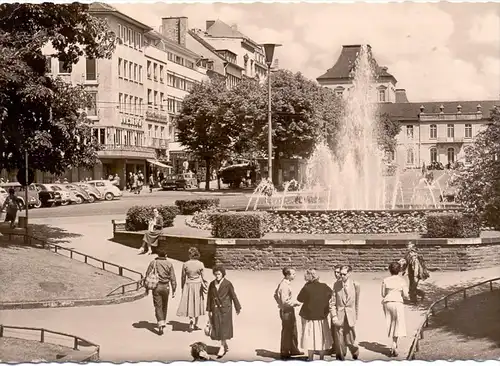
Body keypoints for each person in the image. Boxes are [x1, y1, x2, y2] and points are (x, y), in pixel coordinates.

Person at [296, 269, 333, 361]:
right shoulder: (324, 286)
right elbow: (331, 295)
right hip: (321, 315)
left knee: (310, 338)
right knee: (322, 337)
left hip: (310, 316)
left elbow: (300, 299)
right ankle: (321, 358)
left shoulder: (307, 288)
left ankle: (311, 358)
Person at [206, 265, 241, 359]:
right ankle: (224, 344)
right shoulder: (212, 284)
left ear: (223, 274)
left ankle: (222, 347)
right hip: (215, 309)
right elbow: (209, 297)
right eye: (215, 274)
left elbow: (233, 295)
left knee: (224, 327)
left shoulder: (228, 283)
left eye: (219, 274)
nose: (217, 276)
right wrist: (209, 309)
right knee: (218, 327)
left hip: (226, 308)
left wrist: (238, 307)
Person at [144, 245, 177, 335]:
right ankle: (163, 321)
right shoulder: (169, 264)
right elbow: (173, 278)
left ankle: (160, 323)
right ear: (165, 255)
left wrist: (147, 288)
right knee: (164, 305)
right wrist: (174, 289)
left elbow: (147, 275)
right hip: (166, 287)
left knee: (158, 305)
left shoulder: (153, 262)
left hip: (156, 287)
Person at [330, 265, 360, 360]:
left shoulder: (356, 285)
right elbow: (332, 302)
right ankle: (340, 357)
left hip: (350, 315)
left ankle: (354, 350)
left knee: (350, 339)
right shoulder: (336, 285)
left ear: (349, 274)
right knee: (339, 339)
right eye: (340, 274)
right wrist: (334, 316)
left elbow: (356, 302)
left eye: (344, 274)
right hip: (339, 315)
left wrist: (355, 315)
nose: (341, 276)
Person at [381, 261, 409, 357]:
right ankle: (394, 344)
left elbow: (383, 294)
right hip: (397, 302)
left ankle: (394, 344)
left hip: (387, 302)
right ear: (399, 270)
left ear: (390, 270)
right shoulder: (402, 281)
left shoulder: (385, 280)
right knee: (397, 324)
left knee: (391, 323)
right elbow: (406, 295)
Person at [176, 247, 207, 332]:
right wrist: (206, 286)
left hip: (188, 284)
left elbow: (183, 277)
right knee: (197, 303)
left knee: (190, 303)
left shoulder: (185, 264)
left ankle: (191, 321)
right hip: (197, 285)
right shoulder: (200, 264)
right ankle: (195, 324)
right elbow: (204, 277)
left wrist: (182, 286)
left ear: (190, 254)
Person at [274, 267, 302, 360]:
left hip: (288, 310)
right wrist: (295, 303)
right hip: (287, 311)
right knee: (287, 331)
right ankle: (285, 352)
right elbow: (285, 301)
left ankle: (293, 349)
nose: (294, 275)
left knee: (293, 330)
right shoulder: (284, 286)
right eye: (293, 274)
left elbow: (275, 295)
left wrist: (279, 303)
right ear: (288, 275)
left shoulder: (284, 284)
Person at [329, 265, 342, 355]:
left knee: (338, 330)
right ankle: (334, 348)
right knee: (333, 330)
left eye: (338, 272)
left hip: (339, 309)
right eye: (335, 272)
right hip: (334, 308)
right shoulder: (336, 283)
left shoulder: (341, 283)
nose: (336, 274)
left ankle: (338, 349)